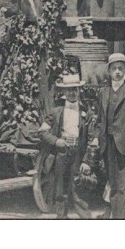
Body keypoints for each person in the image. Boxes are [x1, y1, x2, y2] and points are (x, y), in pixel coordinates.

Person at [83, 52, 125, 219]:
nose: (117, 71)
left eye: (121, 68)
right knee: (114, 187)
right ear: (109, 71)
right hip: (108, 145)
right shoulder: (103, 92)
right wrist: (96, 136)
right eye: (114, 68)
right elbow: (100, 120)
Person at [38, 73, 92, 219]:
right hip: (61, 153)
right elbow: (42, 132)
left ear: (79, 90)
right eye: (69, 90)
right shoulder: (56, 112)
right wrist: (56, 141)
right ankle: (61, 218)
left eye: (75, 89)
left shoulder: (86, 113)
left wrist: (87, 160)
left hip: (78, 154)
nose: (72, 93)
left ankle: (86, 219)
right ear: (64, 92)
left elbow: (93, 137)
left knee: (78, 189)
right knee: (60, 189)